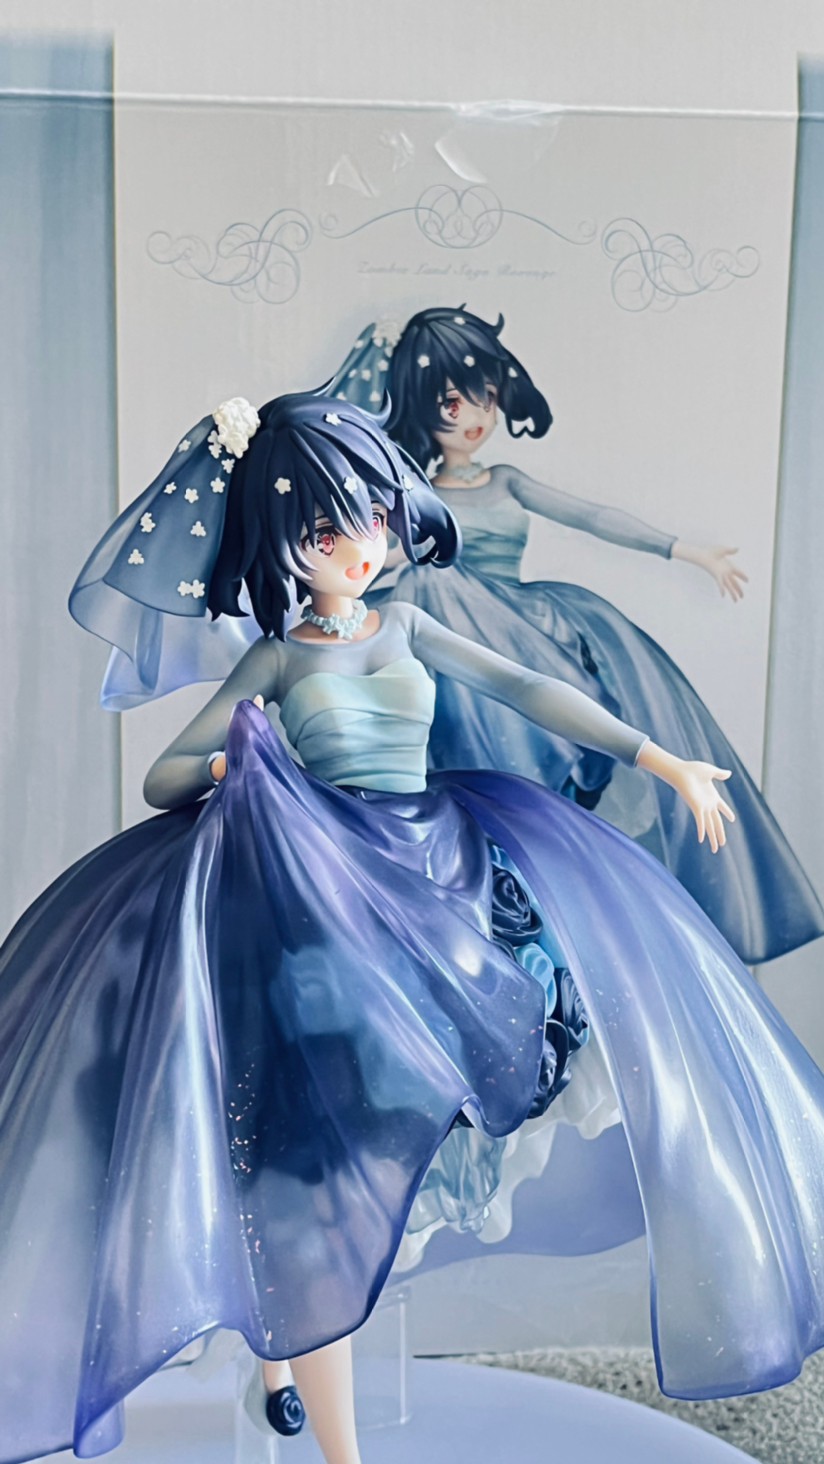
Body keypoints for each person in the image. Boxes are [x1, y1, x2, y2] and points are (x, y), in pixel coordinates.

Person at [2, 391, 824, 1464]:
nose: (360, 547)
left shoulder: (404, 623)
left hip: (435, 867)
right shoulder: (275, 660)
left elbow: (525, 684)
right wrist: (234, 758)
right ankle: (316, 1408)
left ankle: (284, 1350)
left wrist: (656, 758)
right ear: (280, 544)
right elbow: (165, 777)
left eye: (374, 519)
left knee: (428, 1093)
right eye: (325, 530)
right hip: (317, 891)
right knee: (309, 1158)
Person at [326, 307, 824, 962]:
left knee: (462, 615)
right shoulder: (417, 498)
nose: (475, 416)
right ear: (422, 408)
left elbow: (589, 515)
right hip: (457, 641)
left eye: (486, 397)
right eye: (453, 403)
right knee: (431, 589)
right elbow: (383, 555)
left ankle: (545, 804)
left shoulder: (505, 481)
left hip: (527, 631)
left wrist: (683, 550)